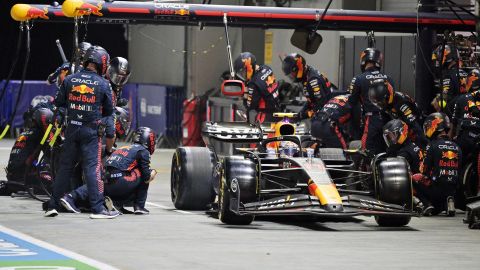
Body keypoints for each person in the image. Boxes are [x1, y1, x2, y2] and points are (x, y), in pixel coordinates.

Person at [45, 45, 118, 219]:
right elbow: (109, 111)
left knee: (65, 169)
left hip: (71, 129)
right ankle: (98, 209)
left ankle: (52, 206)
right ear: (102, 63)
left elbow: (59, 103)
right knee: (92, 170)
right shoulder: (103, 84)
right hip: (91, 131)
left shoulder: (70, 79)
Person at [60, 127, 157, 215]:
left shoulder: (123, 147)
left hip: (105, 179)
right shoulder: (143, 151)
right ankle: (139, 206)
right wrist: (153, 172)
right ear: (149, 140)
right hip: (119, 183)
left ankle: (70, 197)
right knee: (146, 173)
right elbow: (146, 177)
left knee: (96, 183)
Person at [413, 112, 461, 216]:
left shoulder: (432, 145)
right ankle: (449, 201)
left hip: (437, 189)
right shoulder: (457, 146)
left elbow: (424, 170)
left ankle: (426, 204)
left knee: (414, 179)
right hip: (453, 189)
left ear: (436, 126)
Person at [348, 48, 394, 154]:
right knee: (387, 150)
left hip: (372, 120)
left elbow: (351, 103)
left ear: (363, 61)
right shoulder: (389, 78)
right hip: (389, 120)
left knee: (368, 151)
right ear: (378, 61)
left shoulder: (359, 79)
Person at [368, 78, 428, 148]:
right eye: (377, 103)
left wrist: (426, 145)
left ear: (388, 95)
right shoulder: (385, 106)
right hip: (404, 128)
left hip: (418, 127)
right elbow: (384, 126)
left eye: (381, 101)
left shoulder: (401, 102)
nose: (380, 104)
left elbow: (414, 124)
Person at [6, 108, 54, 192]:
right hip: (23, 177)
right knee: (55, 183)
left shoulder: (25, 133)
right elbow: (50, 154)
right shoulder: (40, 134)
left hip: (12, 175)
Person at [281, 53, 333, 120]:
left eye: (292, 74)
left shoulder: (312, 80)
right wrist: (300, 114)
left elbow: (321, 106)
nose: (292, 77)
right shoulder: (307, 73)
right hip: (324, 108)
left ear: (299, 68)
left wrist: (304, 115)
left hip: (329, 112)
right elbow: (311, 100)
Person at [233, 52, 280, 124]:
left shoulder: (254, 83)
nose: (243, 75)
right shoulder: (267, 68)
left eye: (243, 72)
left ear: (249, 66)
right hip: (277, 109)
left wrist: (245, 92)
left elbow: (249, 105)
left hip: (265, 117)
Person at [431, 44, 468, 117]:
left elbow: (442, 102)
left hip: (455, 118)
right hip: (468, 113)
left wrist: (436, 100)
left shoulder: (447, 75)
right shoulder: (467, 74)